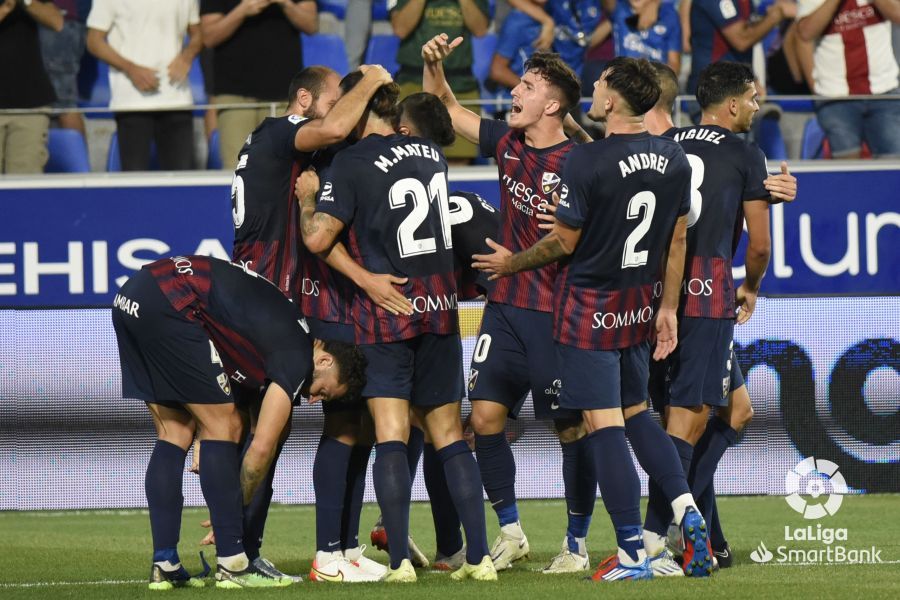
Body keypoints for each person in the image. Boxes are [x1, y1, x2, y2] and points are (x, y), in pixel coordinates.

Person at [473, 56, 713, 582]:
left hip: (586, 307)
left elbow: (562, 240)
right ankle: (687, 512)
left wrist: (509, 262)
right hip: (638, 305)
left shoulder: (583, 164)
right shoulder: (674, 158)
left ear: (609, 102)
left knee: (602, 427)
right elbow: (677, 237)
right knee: (638, 415)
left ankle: (630, 554)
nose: (594, 89)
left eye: (600, 84)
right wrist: (668, 307)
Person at [298, 77, 495, 583]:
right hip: (441, 309)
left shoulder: (352, 163)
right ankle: (479, 559)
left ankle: (402, 564)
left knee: (389, 434)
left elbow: (319, 239)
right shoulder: (431, 156)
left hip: (385, 310)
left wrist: (307, 200)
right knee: (449, 436)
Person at [423, 36, 598, 574]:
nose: (514, 92)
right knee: (486, 417)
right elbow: (448, 112)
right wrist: (435, 66)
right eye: (518, 83)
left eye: (527, 87)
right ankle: (512, 530)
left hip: (557, 315)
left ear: (553, 105)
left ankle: (575, 542)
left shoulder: (581, 163)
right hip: (504, 309)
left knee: (571, 428)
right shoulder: (508, 144)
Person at [229, 63, 394, 583]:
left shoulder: (276, 149)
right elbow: (335, 128)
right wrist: (369, 79)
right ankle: (248, 549)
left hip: (262, 298)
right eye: (333, 99)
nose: (342, 112)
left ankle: (250, 548)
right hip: (269, 303)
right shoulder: (280, 132)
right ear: (304, 99)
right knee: (268, 435)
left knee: (262, 434)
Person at [112, 255, 363, 589]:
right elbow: (260, 450)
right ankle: (233, 564)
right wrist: (230, 512)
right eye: (326, 392)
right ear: (324, 360)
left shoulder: (280, 335)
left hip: (133, 295)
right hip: (171, 299)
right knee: (225, 424)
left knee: (175, 431)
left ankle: (165, 563)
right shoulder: (297, 357)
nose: (314, 399)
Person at [642, 60, 796, 571]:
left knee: (733, 411)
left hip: (656, 292)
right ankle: (651, 540)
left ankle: (707, 536)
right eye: (752, 97)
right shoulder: (746, 153)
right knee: (688, 424)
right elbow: (759, 245)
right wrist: (750, 286)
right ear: (732, 104)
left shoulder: (671, 141)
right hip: (707, 290)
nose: (756, 105)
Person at [86, 0, 203, 171]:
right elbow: (93, 41)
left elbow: (197, 33)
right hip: (132, 103)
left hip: (177, 101)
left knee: (181, 184)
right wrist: (131, 69)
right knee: (134, 186)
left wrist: (187, 56)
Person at [200, 0, 318, 168]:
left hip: (284, 96)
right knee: (237, 170)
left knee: (284, 170)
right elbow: (209, 37)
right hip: (234, 95)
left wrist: (286, 3)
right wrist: (242, 10)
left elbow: (312, 24)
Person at [390, 0, 491, 164]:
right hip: (413, 80)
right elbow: (400, 29)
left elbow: (480, 30)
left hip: (460, 82)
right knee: (407, 155)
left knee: (459, 159)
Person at [797, 0, 900, 158]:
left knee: (893, 165)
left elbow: (897, 14)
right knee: (847, 169)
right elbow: (805, 32)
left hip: (884, 91)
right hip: (836, 97)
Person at [0, 0, 62, 174]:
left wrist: (26, 2)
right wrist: (5, 9)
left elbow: (57, 22)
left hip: (30, 103)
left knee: (25, 182)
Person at [687, 0, 796, 94]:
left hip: (736, 87)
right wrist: (775, 15)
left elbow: (745, 44)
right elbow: (741, 40)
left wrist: (752, 78)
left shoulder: (746, 2)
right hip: (712, 91)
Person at [39, 0, 91, 138]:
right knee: (47, 104)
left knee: (62, 104)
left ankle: (78, 159)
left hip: (60, 20)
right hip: (40, 19)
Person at [605, 0, 682, 73]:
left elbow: (674, 64)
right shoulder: (619, 8)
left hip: (654, 82)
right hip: (622, 80)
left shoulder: (669, 15)